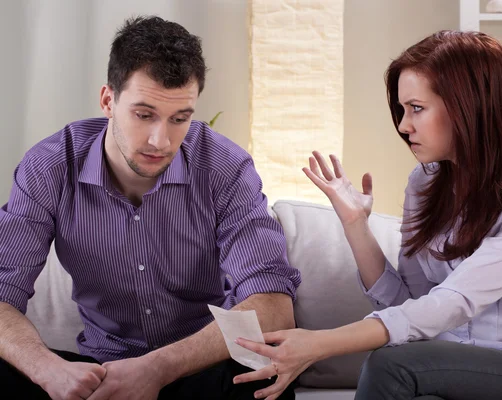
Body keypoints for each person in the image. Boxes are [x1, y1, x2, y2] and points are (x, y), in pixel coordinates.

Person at [233, 30, 502, 400]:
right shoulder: (425, 182)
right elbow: (411, 308)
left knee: (393, 364)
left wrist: (320, 344)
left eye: (416, 108)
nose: (404, 126)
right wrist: (356, 224)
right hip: (455, 369)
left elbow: (454, 302)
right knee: (401, 361)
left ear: (469, 105)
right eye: (403, 110)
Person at [0, 15, 300, 400]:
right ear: (108, 100)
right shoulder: (51, 166)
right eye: (144, 115)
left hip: (198, 370)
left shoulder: (225, 168)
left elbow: (274, 308)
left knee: (265, 383)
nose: (161, 140)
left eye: (179, 119)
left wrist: (157, 369)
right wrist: (49, 372)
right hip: (100, 372)